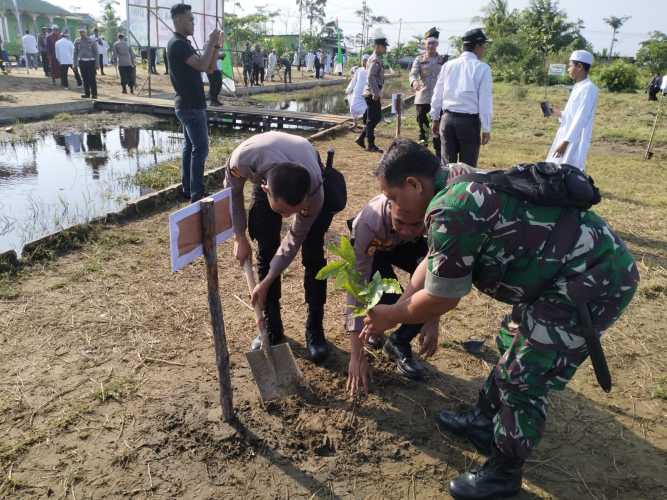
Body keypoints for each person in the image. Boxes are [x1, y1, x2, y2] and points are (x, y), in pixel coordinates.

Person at [362, 138, 639, 499]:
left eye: (394, 197)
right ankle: (483, 420)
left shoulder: (453, 209)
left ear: (414, 185)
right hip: (557, 275)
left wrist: (394, 314)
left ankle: (503, 474)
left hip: (592, 278)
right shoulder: (454, 181)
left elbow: (444, 296)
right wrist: (406, 301)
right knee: (511, 341)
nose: (393, 206)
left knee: (524, 376)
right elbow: (431, 263)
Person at [224, 131, 338, 363]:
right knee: (266, 251)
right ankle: (272, 328)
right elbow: (233, 193)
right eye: (283, 212)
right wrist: (239, 236)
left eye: (294, 212)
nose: (288, 218)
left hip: (305, 167)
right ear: (265, 190)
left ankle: (315, 329)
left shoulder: (314, 193)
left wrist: (264, 283)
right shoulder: (242, 161)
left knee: (314, 256)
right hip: (266, 167)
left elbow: (293, 240)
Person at [346, 193, 441, 393]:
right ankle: (375, 330)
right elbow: (356, 287)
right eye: (400, 222)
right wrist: (357, 355)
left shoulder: (436, 218)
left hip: (406, 247)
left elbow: (440, 276)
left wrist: (432, 319)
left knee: (420, 300)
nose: (406, 231)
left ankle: (399, 341)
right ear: (390, 207)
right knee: (390, 299)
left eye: (415, 224)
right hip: (377, 246)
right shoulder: (366, 224)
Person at [167, 3, 221, 203]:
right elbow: (200, 65)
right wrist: (210, 42)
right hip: (190, 106)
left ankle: (188, 188)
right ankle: (196, 194)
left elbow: (208, 68)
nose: (193, 22)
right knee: (201, 149)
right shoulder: (178, 44)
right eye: (190, 19)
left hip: (190, 104)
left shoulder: (184, 43)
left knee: (190, 148)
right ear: (179, 19)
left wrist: (215, 46)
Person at [431, 28, 493, 166]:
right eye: (484, 46)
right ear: (477, 46)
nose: (484, 50)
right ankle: (462, 187)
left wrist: (435, 118)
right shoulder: (482, 68)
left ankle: (447, 187)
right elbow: (485, 101)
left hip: (447, 120)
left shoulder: (448, 65)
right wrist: (486, 128)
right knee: (467, 168)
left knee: (447, 166)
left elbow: (437, 94)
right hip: (468, 123)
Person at [545, 50, 599, 172]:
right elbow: (571, 115)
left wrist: (565, 143)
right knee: (555, 169)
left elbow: (581, 118)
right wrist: (557, 112)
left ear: (579, 66)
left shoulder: (589, 88)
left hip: (574, 139)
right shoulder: (578, 86)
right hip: (566, 134)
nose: (568, 69)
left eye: (570, 66)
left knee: (568, 170)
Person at [410, 27, 447, 156]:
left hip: (439, 100)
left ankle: (439, 158)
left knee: (438, 130)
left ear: (437, 44)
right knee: (423, 129)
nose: (431, 46)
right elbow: (413, 74)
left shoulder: (443, 60)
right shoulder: (419, 59)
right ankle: (422, 157)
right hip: (423, 98)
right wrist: (414, 82)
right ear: (425, 44)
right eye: (428, 43)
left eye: (433, 43)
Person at [356, 31, 388, 153]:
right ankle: (370, 144)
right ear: (378, 47)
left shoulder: (376, 58)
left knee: (373, 118)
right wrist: (375, 92)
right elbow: (370, 76)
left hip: (371, 92)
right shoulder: (375, 59)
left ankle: (361, 139)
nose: (385, 49)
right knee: (373, 119)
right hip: (371, 93)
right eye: (384, 46)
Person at [74, 27, 99, 99]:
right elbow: (75, 53)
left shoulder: (92, 40)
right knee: (84, 78)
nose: (81, 33)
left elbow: (96, 52)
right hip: (82, 61)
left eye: (83, 32)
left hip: (91, 61)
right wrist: (74, 64)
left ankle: (94, 94)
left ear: (86, 32)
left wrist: (97, 64)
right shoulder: (77, 41)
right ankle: (87, 93)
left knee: (92, 78)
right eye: (80, 32)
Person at [345, 55, 369, 129]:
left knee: (366, 110)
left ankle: (367, 126)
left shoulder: (371, 70)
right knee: (352, 108)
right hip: (357, 92)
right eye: (362, 60)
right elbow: (354, 80)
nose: (363, 62)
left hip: (365, 93)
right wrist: (348, 89)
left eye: (365, 60)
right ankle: (355, 123)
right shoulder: (359, 70)